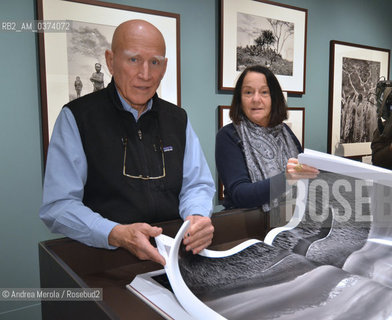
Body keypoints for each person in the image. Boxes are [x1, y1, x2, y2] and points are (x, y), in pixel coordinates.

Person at [39, 20, 215, 265]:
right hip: (106, 261)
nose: (145, 74)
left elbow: (197, 184)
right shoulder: (78, 117)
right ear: (110, 61)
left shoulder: (178, 119)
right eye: (134, 60)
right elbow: (58, 206)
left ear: (164, 67)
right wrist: (116, 234)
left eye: (154, 62)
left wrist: (196, 217)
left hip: (176, 256)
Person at [215, 65, 318, 212]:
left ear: (274, 97)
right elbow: (240, 194)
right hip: (249, 226)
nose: (256, 99)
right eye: (248, 92)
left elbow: (302, 176)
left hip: (292, 220)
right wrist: (286, 179)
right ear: (240, 98)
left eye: (264, 92)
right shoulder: (228, 135)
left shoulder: (285, 131)